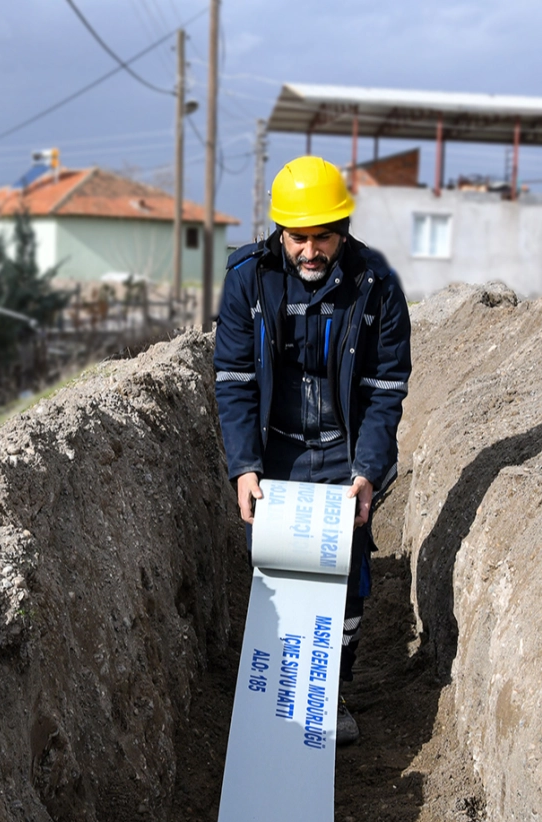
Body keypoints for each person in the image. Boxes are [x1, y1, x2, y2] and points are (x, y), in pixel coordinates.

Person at [212, 155, 412, 746]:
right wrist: (244, 467)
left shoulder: (377, 287)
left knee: (344, 576)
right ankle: (275, 698)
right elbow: (234, 380)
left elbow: (384, 389)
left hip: (344, 452)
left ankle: (332, 691)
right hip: (275, 453)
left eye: (323, 236)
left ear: (343, 228)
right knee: (274, 572)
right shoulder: (248, 278)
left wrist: (368, 471)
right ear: (280, 231)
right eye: (298, 237)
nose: (310, 250)